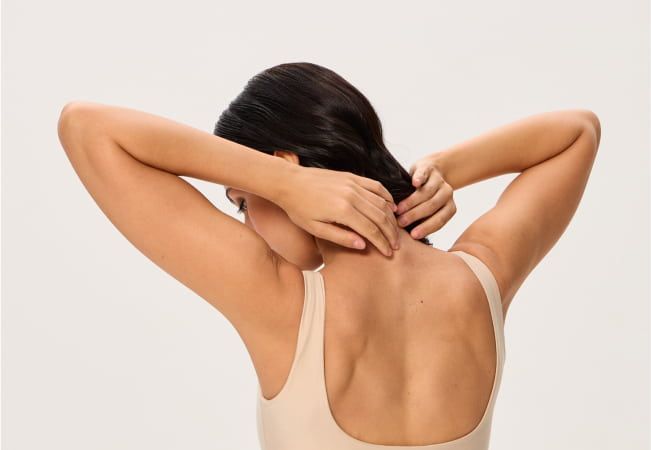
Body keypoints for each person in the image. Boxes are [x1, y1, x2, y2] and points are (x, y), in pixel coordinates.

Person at [57, 62, 601, 450]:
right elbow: (577, 132)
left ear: (285, 163)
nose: (249, 224)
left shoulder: (279, 301)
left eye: (243, 202)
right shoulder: (481, 280)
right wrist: (446, 168)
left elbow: (85, 127)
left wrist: (282, 183)